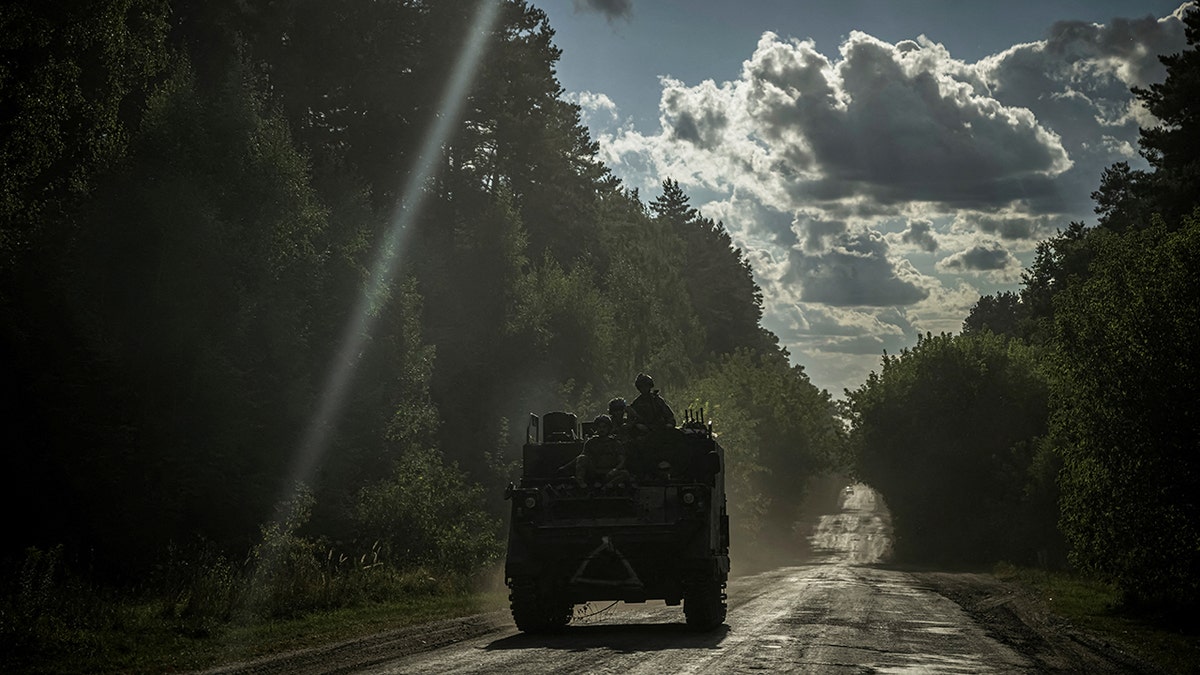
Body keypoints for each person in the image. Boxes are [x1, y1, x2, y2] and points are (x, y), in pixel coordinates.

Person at [575, 414, 630, 487]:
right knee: (582, 458)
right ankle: (581, 483)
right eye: (599, 427)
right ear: (596, 428)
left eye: (604, 427)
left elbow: (622, 460)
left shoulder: (615, 443)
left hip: (609, 472)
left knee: (625, 474)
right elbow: (583, 458)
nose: (602, 429)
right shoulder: (591, 443)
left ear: (609, 428)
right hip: (594, 472)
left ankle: (610, 485)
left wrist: (615, 470)